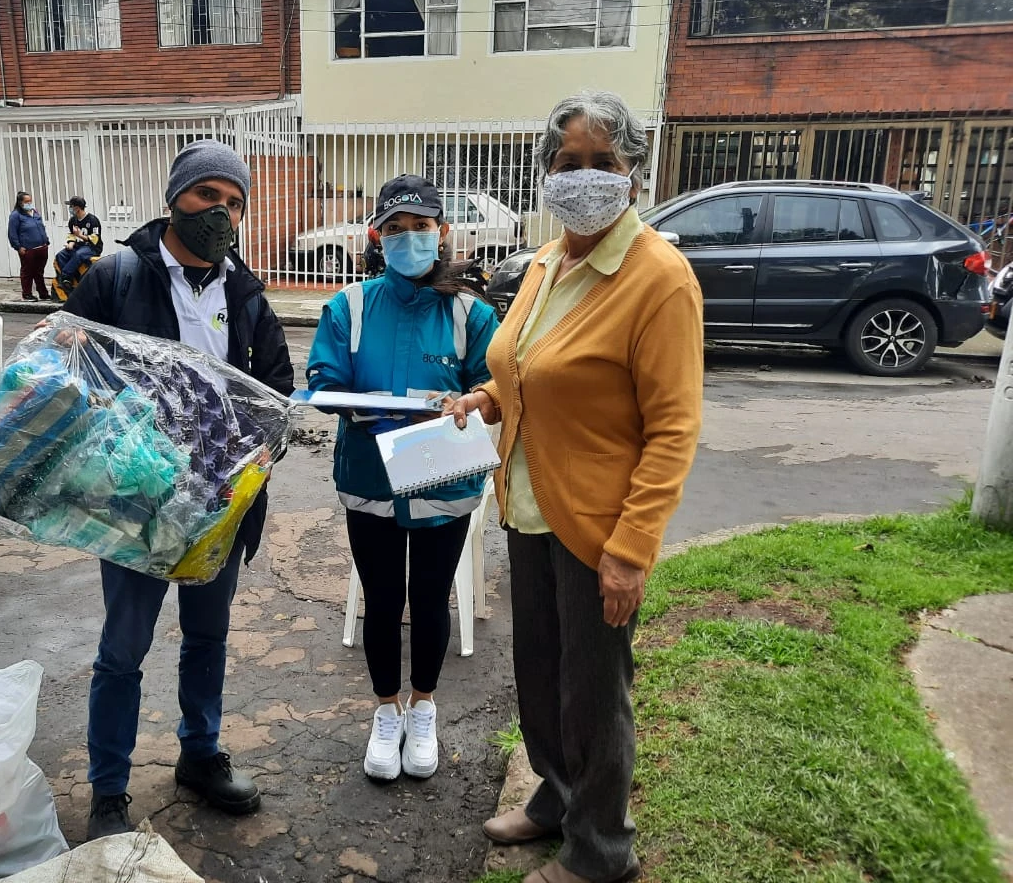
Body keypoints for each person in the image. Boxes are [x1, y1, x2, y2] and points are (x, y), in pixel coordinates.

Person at [448, 92, 703, 883]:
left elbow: (672, 430)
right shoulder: (548, 262)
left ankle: (600, 852)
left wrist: (631, 550)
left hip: (597, 527)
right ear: (546, 173)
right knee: (541, 674)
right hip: (528, 510)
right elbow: (524, 371)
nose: (583, 177)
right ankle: (556, 799)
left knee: (594, 694)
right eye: (567, 162)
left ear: (635, 174)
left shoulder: (658, 278)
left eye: (603, 162)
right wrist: (484, 400)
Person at [61, 140, 295, 840]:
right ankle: (109, 789)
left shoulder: (245, 293)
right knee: (122, 651)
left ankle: (200, 753)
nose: (220, 212)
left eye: (234, 202)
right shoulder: (118, 277)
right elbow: (65, 373)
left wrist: (255, 458)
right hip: (135, 504)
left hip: (218, 506)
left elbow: (276, 391)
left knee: (207, 637)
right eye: (206, 195)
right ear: (174, 199)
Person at [306, 174, 499, 783]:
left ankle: (424, 707)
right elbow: (323, 378)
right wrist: (358, 404)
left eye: (421, 227)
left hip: (444, 478)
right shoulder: (349, 306)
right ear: (377, 236)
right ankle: (386, 711)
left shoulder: (470, 310)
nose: (409, 238)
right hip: (371, 478)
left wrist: (470, 401)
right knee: (384, 599)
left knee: (432, 597)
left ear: (442, 233)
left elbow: (495, 385)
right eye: (396, 228)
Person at [54, 195, 103, 294]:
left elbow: (95, 239)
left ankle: (65, 277)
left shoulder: (92, 220)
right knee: (61, 255)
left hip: (92, 247)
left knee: (78, 254)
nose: (70, 209)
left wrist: (80, 235)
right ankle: (69, 280)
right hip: (78, 246)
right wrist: (71, 244)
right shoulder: (73, 220)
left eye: (71, 206)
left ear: (77, 208)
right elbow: (71, 235)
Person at [8, 190, 51, 301]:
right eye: (26, 202)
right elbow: (12, 233)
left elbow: (41, 227)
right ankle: (27, 294)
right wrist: (18, 247)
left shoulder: (34, 212)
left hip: (41, 247)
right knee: (27, 272)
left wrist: (46, 241)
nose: (29, 203)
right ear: (20, 202)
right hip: (28, 249)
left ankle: (43, 293)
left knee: (39, 272)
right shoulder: (15, 215)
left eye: (30, 201)